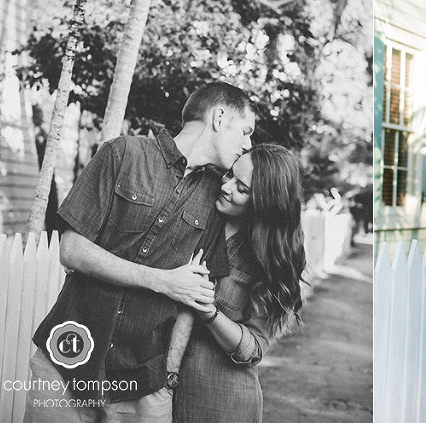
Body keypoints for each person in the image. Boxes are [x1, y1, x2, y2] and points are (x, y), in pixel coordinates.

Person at [24, 81, 256, 423]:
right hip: (66, 362)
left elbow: (192, 296)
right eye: (246, 131)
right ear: (219, 118)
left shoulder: (213, 198)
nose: (247, 144)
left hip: (143, 382)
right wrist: (161, 280)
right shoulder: (122, 154)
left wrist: (170, 373)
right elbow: (71, 250)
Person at [170, 143, 306, 423]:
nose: (226, 186)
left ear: (263, 204)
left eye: (241, 188)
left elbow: (254, 349)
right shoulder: (199, 213)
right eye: (230, 174)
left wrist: (209, 311)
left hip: (220, 404)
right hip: (155, 393)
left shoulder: (269, 261)